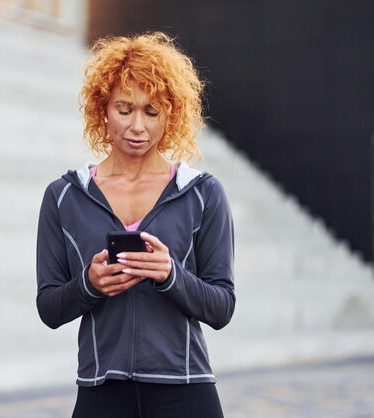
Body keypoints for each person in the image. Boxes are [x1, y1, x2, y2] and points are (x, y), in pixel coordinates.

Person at [36, 32, 235, 418]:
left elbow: (222, 306)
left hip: (186, 389)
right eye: (124, 109)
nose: (138, 126)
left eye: (152, 111)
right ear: (102, 109)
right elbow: (49, 307)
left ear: (171, 114)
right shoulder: (64, 196)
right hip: (101, 391)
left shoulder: (203, 193)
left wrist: (170, 274)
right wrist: (89, 285)